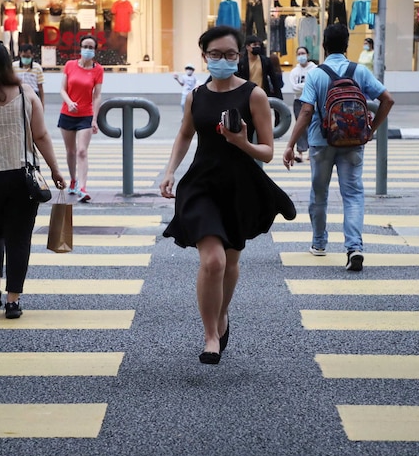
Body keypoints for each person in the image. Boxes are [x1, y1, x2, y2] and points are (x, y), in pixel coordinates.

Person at [160, 26, 296, 365]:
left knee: (231, 261)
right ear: (204, 55)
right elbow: (184, 134)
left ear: (241, 56)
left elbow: (266, 152)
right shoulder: (197, 96)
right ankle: (210, 336)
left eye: (230, 54)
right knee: (213, 261)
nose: (223, 60)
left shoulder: (254, 95)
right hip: (201, 185)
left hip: (240, 187)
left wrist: (242, 143)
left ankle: (221, 316)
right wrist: (169, 171)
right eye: (216, 54)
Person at [281, 24, 394, 272]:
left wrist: (290, 144)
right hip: (353, 141)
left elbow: (307, 111)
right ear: (346, 45)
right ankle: (354, 247)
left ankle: (319, 243)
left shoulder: (316, 74)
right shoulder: (360, 71)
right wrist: (370, 130)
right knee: (352, 195)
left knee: (319, 193)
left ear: (323, 45)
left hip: (321, 142)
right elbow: (388, 99)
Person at [0, 41, 65, 319]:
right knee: (18, 238)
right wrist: (55, 170)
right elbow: (41, 136)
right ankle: (13, 301)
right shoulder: (26, 93)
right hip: (20, 176)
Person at [59, 34, 103, 202]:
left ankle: (82, 187)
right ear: (80, 48)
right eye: (85, 46)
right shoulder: (70, 65)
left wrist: (94, 119)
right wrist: (69, 102)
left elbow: (97, 95)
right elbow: (62, 89)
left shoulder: (98, 70)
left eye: (91, 47)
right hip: (67, 113)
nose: (88, 50)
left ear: (95, 51)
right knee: (70, 151)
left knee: (82, 151)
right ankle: (73, 180)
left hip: (85, 114)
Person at [289, 46, 317, 163]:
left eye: (303, 53)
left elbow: (315, 84)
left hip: (312, 100)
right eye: (299, 54)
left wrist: (304, 86)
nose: (301, 56)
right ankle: (300, 152)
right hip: (298, 101)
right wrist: (307, 85)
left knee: (312, 126)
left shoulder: (314, 69)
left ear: (308, 55)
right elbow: (294, 88)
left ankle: (312, 152)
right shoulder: (294, 71)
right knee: (300, 126)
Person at [13, 43, 45, 107]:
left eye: (28, 57)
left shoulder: (37, 68)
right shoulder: (13, 66)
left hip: (33, 95)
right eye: (24, 56)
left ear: (32, 55)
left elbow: (40, 87)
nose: (26, 59)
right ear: (20, 54)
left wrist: (42, 104)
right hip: (17, 95)